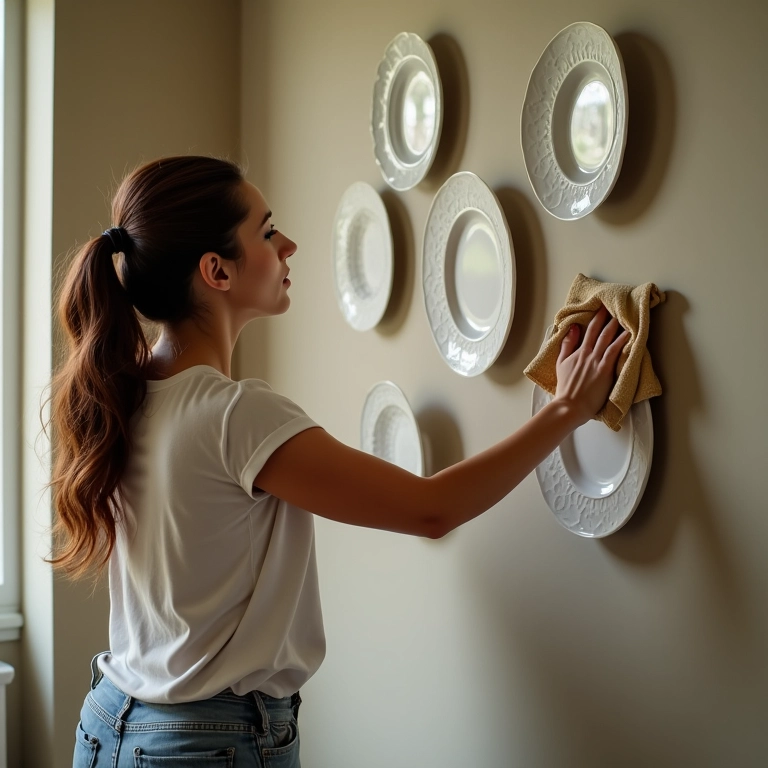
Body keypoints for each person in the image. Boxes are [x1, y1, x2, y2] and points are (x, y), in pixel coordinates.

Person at [50, 155, 628, 768]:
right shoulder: (235, 414)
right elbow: (432, 510)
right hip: (203, 744)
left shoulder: (125, 396)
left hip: (110, 723)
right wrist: (566, 408)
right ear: (216, 270)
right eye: (268, 232)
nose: (288, 245)